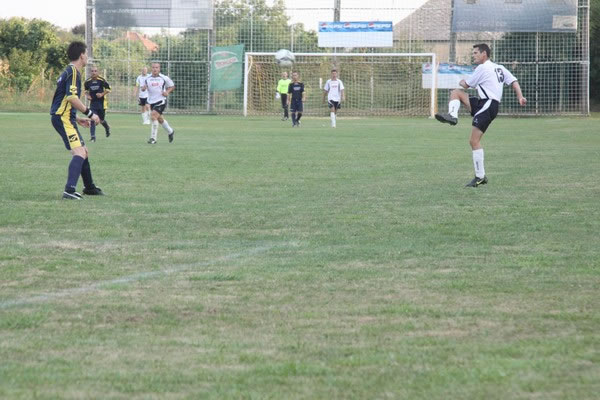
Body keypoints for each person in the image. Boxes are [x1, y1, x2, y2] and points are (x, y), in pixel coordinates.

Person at [435, 43, 527, 187]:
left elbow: (466, 85)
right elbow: (514, 81)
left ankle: (480, 177)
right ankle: (452, 116)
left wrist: (461, 81)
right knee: (456, 93)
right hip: (484, 103)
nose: (474, 56)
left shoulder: (483, 68)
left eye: (476, 53)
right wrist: (520, 97)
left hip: (488, 104)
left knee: (474, 141)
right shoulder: (499, 68)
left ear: (484, 54)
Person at [50, 41, 103, 200]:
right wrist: (90, 114)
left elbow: (61, 100)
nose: (87, 57)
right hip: (63, 118)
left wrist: (77, 118)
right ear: (81, 55)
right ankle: (69, 190)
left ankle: (89, 187)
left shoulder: (68, 71)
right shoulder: (73, 72)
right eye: (86, 54)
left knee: (84, 151)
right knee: (79, 152)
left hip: (65, 117)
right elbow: (71, 98)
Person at [141, 62, 175, 144]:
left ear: (159, 69)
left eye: (156, 67)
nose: (155, 69)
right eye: (153, 67)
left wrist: (167, 92)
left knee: (153, 116)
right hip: (151, 102)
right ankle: (170, 131)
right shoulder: (147, 78)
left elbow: (172, 86)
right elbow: (143, 88)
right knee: (160, 119)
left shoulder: (164, 78)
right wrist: (143, 88)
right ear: (151, 68)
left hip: (161, 101)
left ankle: (153, 138)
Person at [84, 65, 111, 142]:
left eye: (95, 71)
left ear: (98, 72)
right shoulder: (87, 82)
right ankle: (93, 137)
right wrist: (88, 96)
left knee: (101, 120)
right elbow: (85, 90)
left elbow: (108, 89)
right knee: (92, 119)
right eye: (92, 71)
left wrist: (102, 94)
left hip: (101, 104)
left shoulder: (102, 80)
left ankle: (107, 127)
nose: (94, 72)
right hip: (93, 104)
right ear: (90, 72)